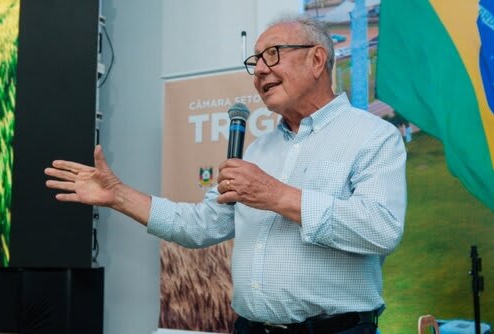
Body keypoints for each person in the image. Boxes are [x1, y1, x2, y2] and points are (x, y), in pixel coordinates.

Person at [45, 14, 407, 334]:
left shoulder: (373, 136)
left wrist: (277, 195)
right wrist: (118, 195)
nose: (260, 70)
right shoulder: (258, 151)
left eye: (272, 55)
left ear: (316, 59)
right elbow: (200, 226)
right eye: (255, 62)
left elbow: (382, 229)